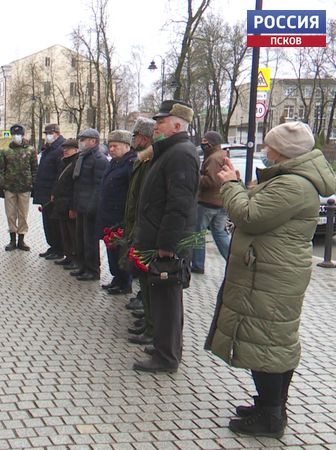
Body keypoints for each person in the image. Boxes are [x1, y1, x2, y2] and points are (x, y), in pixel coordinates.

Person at [206, 121, 336, 438]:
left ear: (284, 151)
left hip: (271, 276)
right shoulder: (292, 179)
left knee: (266, 343)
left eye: (270, 145)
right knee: (267, 341)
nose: (265, 150)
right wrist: (238, 184)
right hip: (268, 272)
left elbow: (250, 215)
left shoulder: (294, 184)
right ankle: (269, 405)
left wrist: (229, 185)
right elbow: (258, 208)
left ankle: (271, 416)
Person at [132, 100, 200, 374]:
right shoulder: (169, 151)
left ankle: (167, 356)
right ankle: (163, 346)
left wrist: (167, 246)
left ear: (176, 125)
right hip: (159, 239)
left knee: (168, 301)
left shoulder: (181, 153)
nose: (155, 126)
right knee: (161, 298)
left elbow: (179, 204)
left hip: (168, 244)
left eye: (160, 122)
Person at [122, 118, 156, 346]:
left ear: (144, 137)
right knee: (144, 280)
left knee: (149, 281)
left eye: (135, 136)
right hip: (137, 224)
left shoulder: (150, 160)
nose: (133, 140)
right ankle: (148, 321)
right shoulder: (142, 160)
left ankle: (152, 326)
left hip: (146, 228)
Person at [96, 130, 136, 294]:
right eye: (110, 146)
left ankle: (125, 282)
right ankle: (116, 278)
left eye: (115, 146)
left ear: (126, 146)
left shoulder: (130, 163)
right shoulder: (113, 163)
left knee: (121, 251)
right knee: (111, 250)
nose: (111, 149)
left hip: (120, 217)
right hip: (108, 216)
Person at [69, 128, 107, 281]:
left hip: (90, 208)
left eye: (84, 139)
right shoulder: (83, 157)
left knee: (90, 241)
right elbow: (78, 184)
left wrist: (91, 207)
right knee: (81, 239)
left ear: (93, 141)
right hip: (81, 205)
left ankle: (92, 270)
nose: (81, 142)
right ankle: (83, 265)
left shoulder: (99, 159)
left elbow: (98, 186)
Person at [192, 130, 230, 274]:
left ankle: (197, 264)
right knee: (220, 233)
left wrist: (197, 177)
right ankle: (231, 261)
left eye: (205, 142)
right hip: (221, 201)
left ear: (212, 143)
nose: (202, 144)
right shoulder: (222, 155)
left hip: (208, 202)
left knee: (198, 234)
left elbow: (212, 181)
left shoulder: (213, 158)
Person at [1, 124, 38, 251]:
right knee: (10, 214)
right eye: (15, 134)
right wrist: (2, 185)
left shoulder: (30, 150)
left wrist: (33, 184)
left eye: (19, 134)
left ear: (23, 135)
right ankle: (12, 240)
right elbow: (2, 169)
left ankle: (21, 239)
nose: (17, 137)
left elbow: (34, 168)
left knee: (23, 214)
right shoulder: (6, 151)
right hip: (10, 187)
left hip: (25, 187)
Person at [32, 124, 65, 259]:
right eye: (46, 133)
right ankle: (52, 246)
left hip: (52, 193)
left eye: (49, 133)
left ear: (57, 133)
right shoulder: (49, 148)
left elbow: (59, 173)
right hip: (44, 192)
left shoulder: (60, 148)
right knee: (47, 222)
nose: (47, 136)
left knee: (54, 223)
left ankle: (59, 249)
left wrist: (54, 192)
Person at [51, 139, 80, 269]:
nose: (65, 150)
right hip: (61, 203)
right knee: (65, 233)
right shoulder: (64, 162)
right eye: (64, 148)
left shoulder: (76, 163)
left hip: (69, 203)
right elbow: (59, 180)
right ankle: (68, 256)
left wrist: (72, 206)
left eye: (69, 148)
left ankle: (75, 258)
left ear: (76, 150)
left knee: (72, 233)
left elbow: (75, 186)